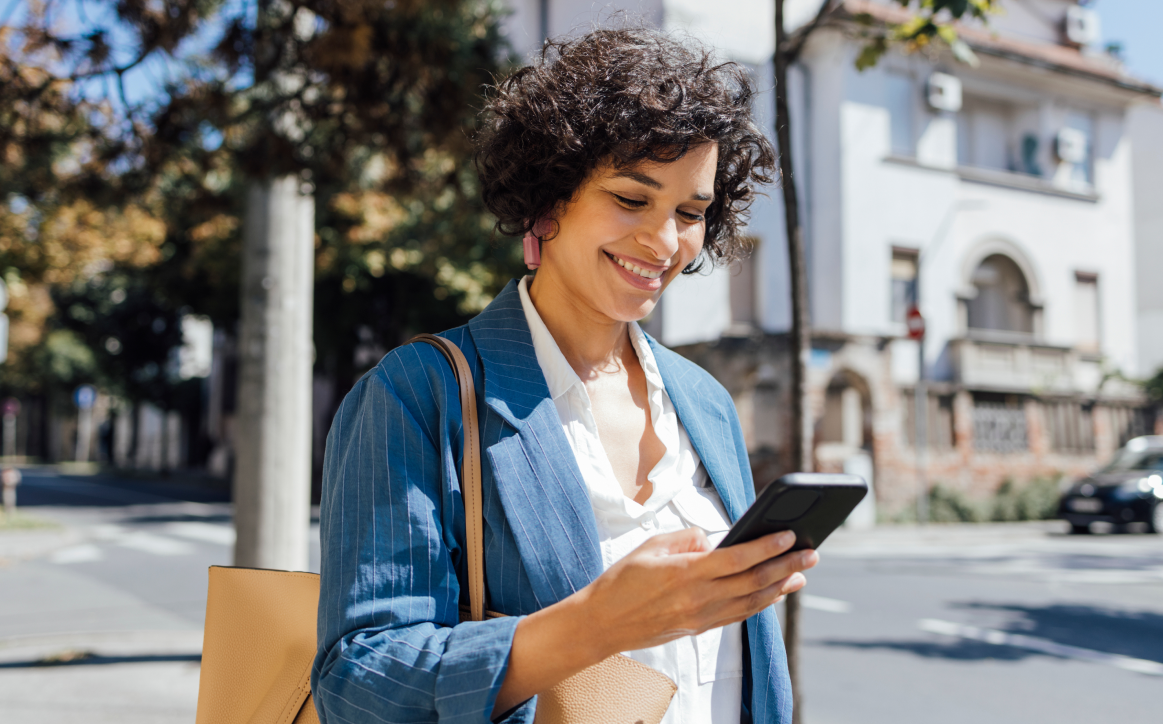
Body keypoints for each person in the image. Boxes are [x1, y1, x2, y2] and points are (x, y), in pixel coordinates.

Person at [312, 26, 818, 724]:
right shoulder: (413, 396)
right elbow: (359, 681)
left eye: (692, 213)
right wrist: (598, 623)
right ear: (548, 200)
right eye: (633, 200)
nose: (666, 242)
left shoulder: (703, 400)